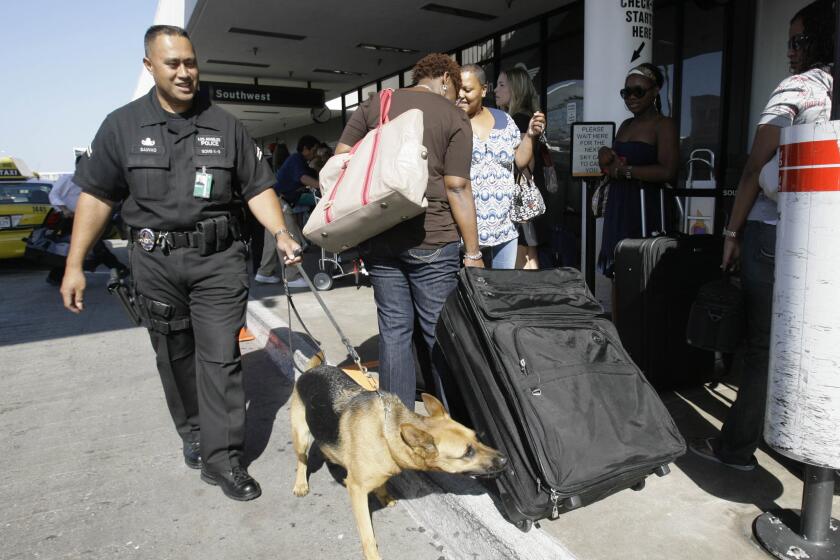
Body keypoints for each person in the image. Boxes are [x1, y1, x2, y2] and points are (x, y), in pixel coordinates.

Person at [60, 25, 301, 501]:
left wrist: (280, 232)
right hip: (154, 263)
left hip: (218, 261)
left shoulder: (225, 125)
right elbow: (97, 195)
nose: (186, 72)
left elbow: (258, 187)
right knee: (174, 356)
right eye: (173, 64)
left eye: (190, 62)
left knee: (220, 358)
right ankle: (193, 431)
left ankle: (224, 459)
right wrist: (73, 264)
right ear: (150, 66)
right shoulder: (121, 126)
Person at [690, 0, 834, 471]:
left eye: (798, 41)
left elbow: (755, 165)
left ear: (818, 40)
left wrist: (731, 231)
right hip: (828, 241)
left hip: (775, 236)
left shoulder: (800, 88)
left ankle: (735, 450)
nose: (790, 51)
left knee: (762, 347)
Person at [335, 53, 483, 407]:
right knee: (438, 333)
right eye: (456, 88)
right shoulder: (453, 116)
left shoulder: (377, 104)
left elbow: (341, 158)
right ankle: (449, 424)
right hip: (432, 237)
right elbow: (458, 187)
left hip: (381, 235)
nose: (458, 96)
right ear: (445, 79)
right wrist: (474, 252)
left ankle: (397, 426)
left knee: (394, 332)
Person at [457, 64, 546, 269]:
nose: (461, 95)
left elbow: (520, 161)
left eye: (467, 90)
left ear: (483, 89)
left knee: (501, 291)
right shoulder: (454, 122)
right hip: (466, 233)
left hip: (505, 228)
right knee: (472, 293)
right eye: (458, 88)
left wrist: (531, 135)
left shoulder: (504, 120)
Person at [597, 63, 679, 280]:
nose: (631, 97)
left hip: (647, 206)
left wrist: (627, 172)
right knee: (618, 271)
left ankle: (640, 314)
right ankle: (619, 315)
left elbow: (668, 171)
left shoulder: (664, 125)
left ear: (655, 91)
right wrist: (605, 154)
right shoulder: (625, 125)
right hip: (620, 204)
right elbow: (615, 164)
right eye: (626, 92)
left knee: (644, 271)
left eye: (638, 91)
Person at [495, 66, 544, 269]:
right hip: (526, 200)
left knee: (522, 256)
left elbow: (524, 163)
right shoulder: (525, 118)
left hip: (519, 200)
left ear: (515, 89)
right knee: (530, 255)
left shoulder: (519, 120)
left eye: (501, 85)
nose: (495, 90)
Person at [254, 136, 320, 286]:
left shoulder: (299, 161)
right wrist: (322, 186)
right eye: (314, 150)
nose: (315, 154)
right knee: (290, 237)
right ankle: (293, 277)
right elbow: (303, 178)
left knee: (272, 240)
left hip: (273, 201)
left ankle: (264, 272)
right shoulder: (297, 159)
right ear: (305, 149)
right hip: (280, 202)